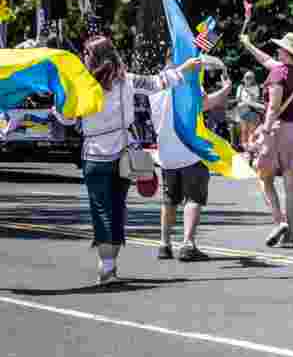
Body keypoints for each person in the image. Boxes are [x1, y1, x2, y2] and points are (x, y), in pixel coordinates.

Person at [52, 36, 201, 284]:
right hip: (123, 154)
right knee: (118, 207)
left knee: (102, 209)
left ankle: (107, 265)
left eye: (86, 53)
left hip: (95, 155)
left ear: (95, 57)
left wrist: (57, 105)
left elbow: (66, 119)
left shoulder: (80, 84)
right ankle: (110, 264)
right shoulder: (127, 80)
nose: (83, 57)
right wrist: (185, 69)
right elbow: (158, 82)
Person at [153, 57, 233, 261]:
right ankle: (188, 244)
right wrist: (225, 90)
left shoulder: (156, 84)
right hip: (190, 152)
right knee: (193, 198)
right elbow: (204, 104)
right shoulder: (187, 83)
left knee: (169, 199)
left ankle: (164, 244)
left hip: (166, 154)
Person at [240, 31, 293, 248]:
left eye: (281, 48)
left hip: (278, 130)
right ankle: (290, 236)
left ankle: (280, 221)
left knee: (264, 178)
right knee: (292, 185)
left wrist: (264, 130)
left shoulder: (277, 74)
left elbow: (273, 106)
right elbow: (266, 60)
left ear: (287, 52)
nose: (278, 50)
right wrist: (248, 44)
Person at [235, 70, 263, 150]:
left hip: (252, 110)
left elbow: (256, 99)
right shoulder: (240, 87)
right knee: (243, 130)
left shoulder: (255, 87)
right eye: (247, 77)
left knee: (251, 131)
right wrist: (244, 102)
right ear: (244, 78)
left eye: (250, 77)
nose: (248, 79)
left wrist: (249, 93)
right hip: (242, 110)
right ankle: (244, 147)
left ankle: (250, 148)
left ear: (253, 79)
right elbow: (238, 99)